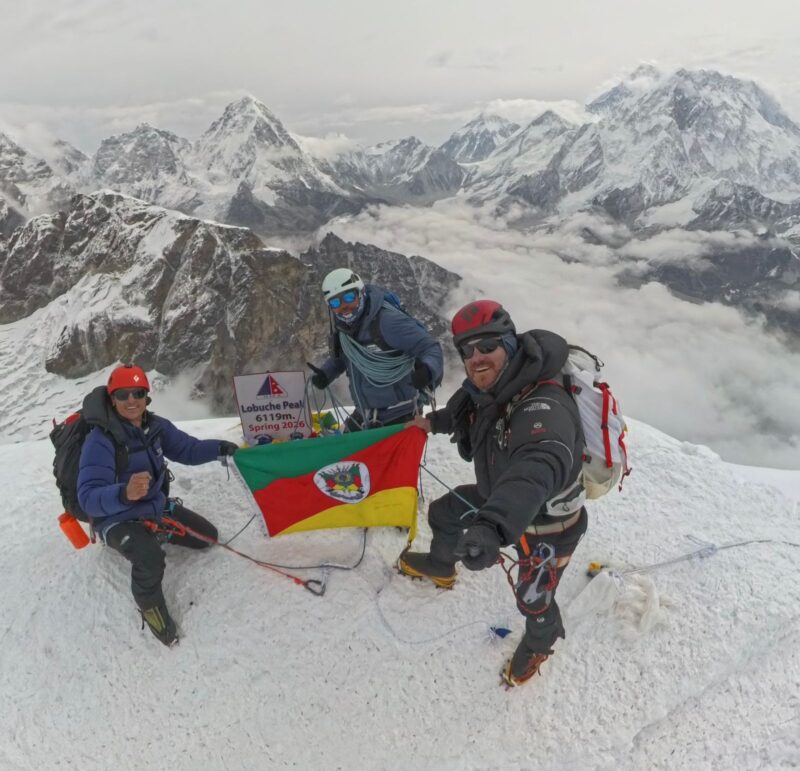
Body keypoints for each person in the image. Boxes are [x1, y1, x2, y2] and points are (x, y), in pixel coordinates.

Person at [398, 301, 588, 687]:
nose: (476, 357)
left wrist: (492, 526)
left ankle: (542, 639)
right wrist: (431, 422)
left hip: (549, 522)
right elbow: (464, 412)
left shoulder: (543, 405)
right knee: (445, 512)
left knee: (533, 596)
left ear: (511, 344)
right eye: (467, 350)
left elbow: (536, 467)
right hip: (499, 498)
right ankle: (442, 565)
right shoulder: (494, 386)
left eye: (487, 346)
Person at [77, 364, 239, 647]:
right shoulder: (100, 440)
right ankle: (152, 611)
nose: (131, 400)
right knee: (150, 558)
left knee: (207, 537)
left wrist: (220, 448)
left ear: (146, 397)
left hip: (153, 507)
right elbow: (88, 497)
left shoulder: (155, 427)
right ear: (112, 399)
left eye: (138, 393)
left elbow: (187, 449)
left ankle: (155, 528)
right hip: (114, 518)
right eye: (123, 394)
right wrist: (124, 494)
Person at [309, 268, 444, 431]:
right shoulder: (345, 327)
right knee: (345, 454)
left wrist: (428, 370)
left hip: (400, 414)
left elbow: (430, 347)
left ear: (361, 293)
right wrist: (326, 373)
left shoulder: (388, 322)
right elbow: (348, 354)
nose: (344, 306)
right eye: (335, 302)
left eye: (349, 297)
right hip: (365, 414)